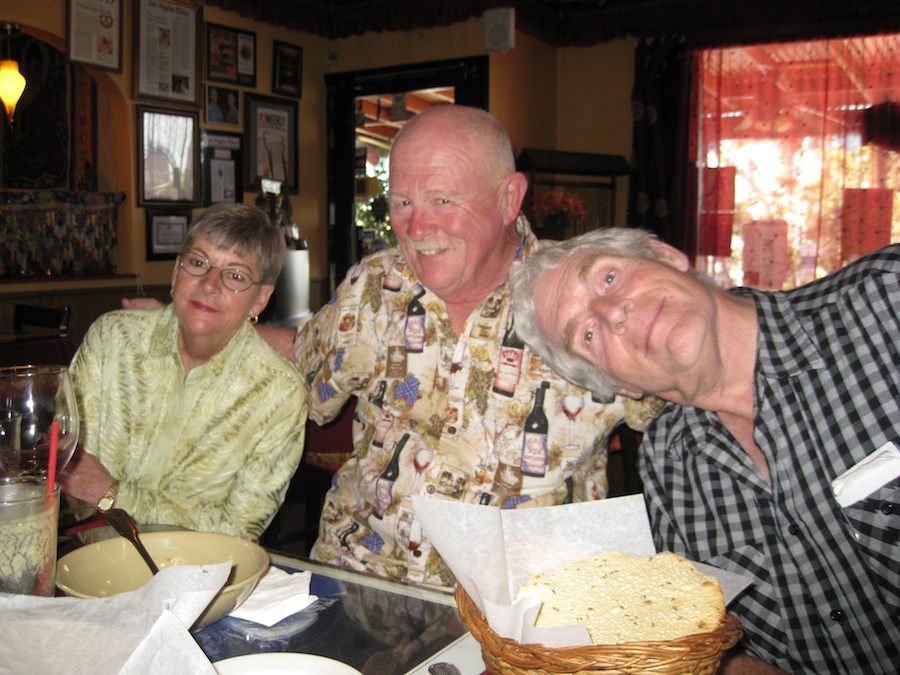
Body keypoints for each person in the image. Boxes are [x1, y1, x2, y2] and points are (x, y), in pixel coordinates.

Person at [126, 105, 659, 586]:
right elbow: (303, 353)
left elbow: (697, 397)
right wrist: (197, 326)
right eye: (402, 201)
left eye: (443, 199)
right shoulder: (378, 285)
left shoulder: (587, 301)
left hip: (520, 609)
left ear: (508, 198)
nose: (417, 226)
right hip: (359, 578)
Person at [509, 227, 899, 674]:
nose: (613, 313)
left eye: (608, 278)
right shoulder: (668, 467)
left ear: (665, 254)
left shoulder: (886, 302)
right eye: (588, 335)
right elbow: (719, 649)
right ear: (620, 385)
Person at [60, 203, 307, 541]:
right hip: (86, 568)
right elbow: (64, 469)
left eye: (235, 275)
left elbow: (237, 532)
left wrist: (114, 493)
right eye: (198, 263)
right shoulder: (114, 339)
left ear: (260, 300)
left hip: (197, 579)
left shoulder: (278, 392)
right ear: (177, 272)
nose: (209, 284)